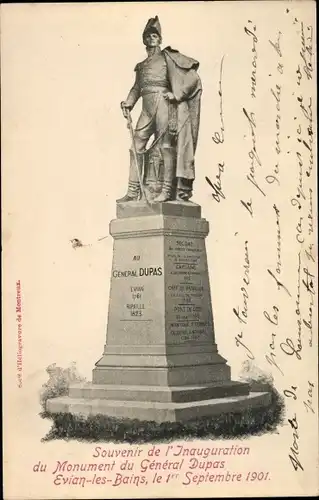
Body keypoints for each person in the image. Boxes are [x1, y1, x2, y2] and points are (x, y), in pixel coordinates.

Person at [117, 16, 202, 203]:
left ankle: (166, 190)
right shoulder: (141, 67)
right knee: (136, 146)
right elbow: (137, 88)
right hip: (146, 110)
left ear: (160, 39)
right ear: (144, 40)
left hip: (165, 107)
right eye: (148, 36)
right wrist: (129, 103)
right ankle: (133, 191)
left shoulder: (168, 58)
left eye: (155, 35)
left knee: (166, 147)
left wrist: (176, 94)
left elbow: (192, 77)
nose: (151, 39)